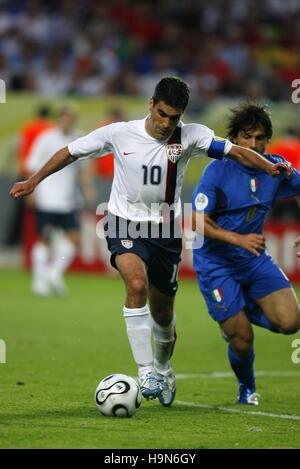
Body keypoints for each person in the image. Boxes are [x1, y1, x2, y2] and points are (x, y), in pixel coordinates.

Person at [10, 77, 290, 407]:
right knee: (136, 284)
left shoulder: (192, 135)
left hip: (165, 233)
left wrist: (270, 167)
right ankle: (146, 371)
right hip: (123, 222)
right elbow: (70, 152)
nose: (166, 123)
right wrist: (33, 180)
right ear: (151, 104)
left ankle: (163, 367)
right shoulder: (118, 133)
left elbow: (237, 152)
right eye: (162, 114)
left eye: (174, 117)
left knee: (163, 315)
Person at [191, 102, 300, 406]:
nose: (254, 144)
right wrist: (237, 239)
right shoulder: (217, 170)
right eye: (247, 137)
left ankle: (238, 308)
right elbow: (197, 221)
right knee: (242, 339)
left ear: (268, 140)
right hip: (215, 263)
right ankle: (247, 387)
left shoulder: (276, 169)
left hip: (253, 260)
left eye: (261, 138)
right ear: (235, 139)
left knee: (291, 322)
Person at [25, 104, 93, 297]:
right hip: (47, 197)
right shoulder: (46, 138)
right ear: (58, 118)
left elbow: (84, 167)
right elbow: (32, 165)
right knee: (44, 239)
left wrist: (87, 187)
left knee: (74, 238)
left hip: (69, 199)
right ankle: (39, 282)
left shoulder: (78, 138)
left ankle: (54, 273)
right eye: (64, 117)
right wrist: (32, 192)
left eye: (70, 117)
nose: (67, 120)